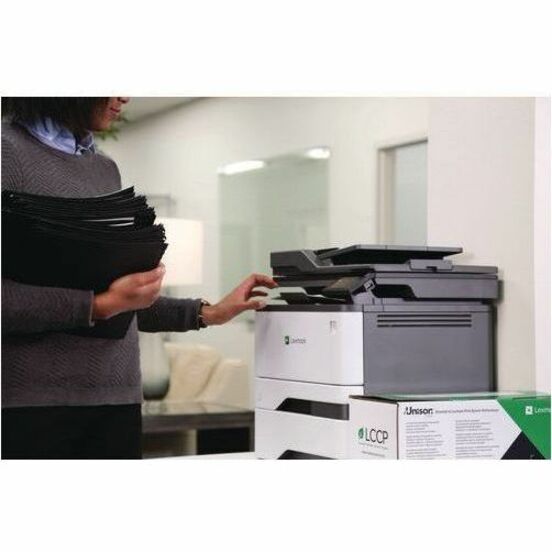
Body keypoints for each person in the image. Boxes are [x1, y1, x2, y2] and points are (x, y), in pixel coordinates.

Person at [1, 97, 277, 459]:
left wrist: (210, 312)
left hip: (118, 399)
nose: (124, 95)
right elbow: (103, 301)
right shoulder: (7, 156)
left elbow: (123, 300)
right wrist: (98, 305)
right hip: (29, 405)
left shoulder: (104, 168)